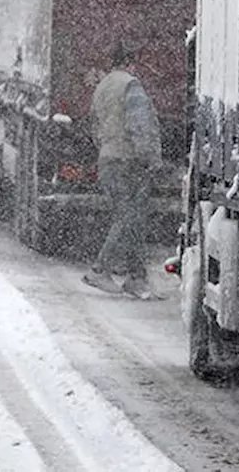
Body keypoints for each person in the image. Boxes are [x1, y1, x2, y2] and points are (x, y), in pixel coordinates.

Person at [82, 41, 163, 299]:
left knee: (132, 219)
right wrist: (150, 158)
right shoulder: (131, 86)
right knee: (129, 217)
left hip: (108, 159)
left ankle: (137, 279)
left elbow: (94, 126)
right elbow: (140, 126)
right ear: (131, 62)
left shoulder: (103, 86)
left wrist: (107, 146)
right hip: (128, 162)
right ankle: (100, 269)